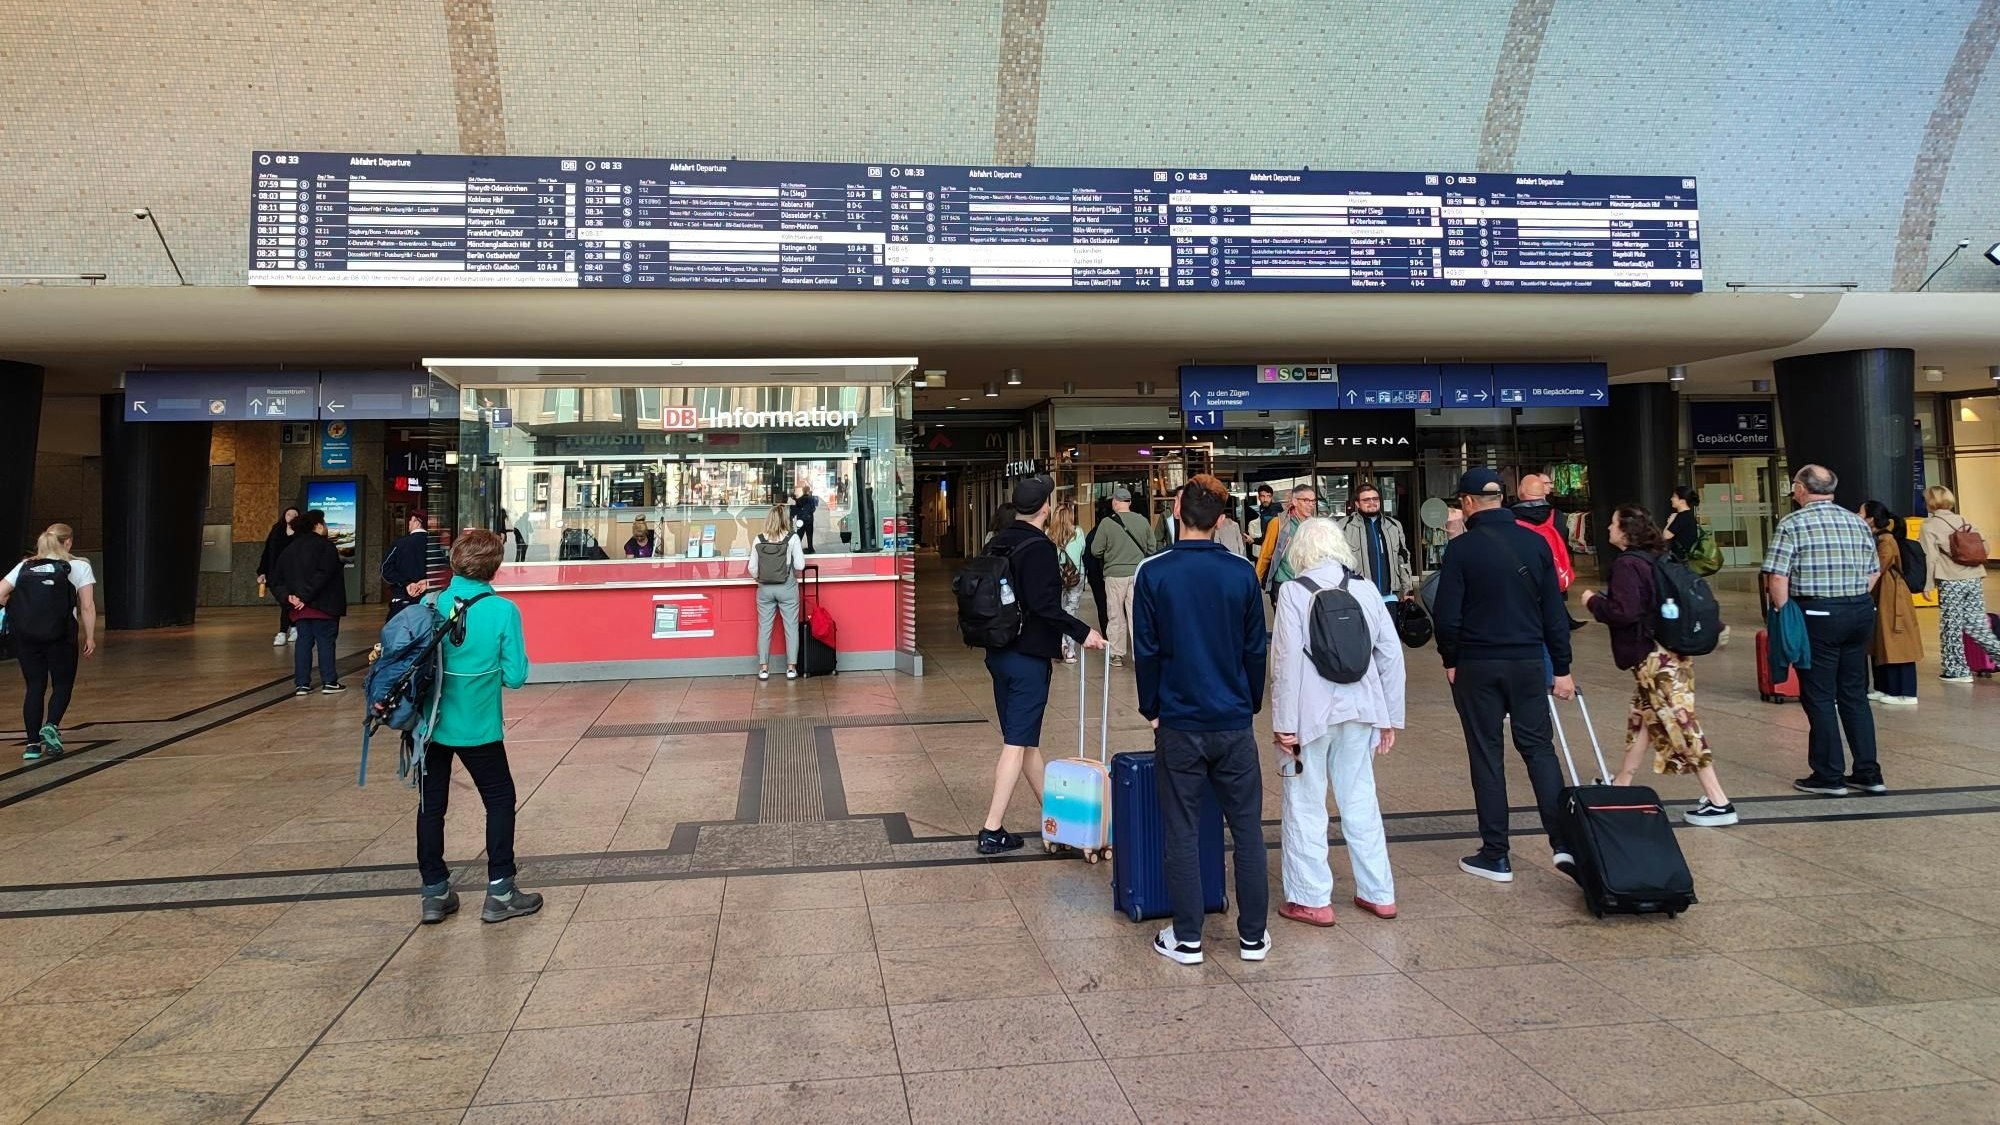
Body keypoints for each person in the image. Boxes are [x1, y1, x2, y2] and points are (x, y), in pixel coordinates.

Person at [1133, 478, 1271, 964]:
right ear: (1221, 520)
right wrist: (1249, 702)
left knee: (1182, 829)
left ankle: (1188, 936)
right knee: (1247, 830)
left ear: (1176, 510)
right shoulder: (1241, 573)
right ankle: (1253, 937)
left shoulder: (1153, 572)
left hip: (1179, 720)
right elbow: (1256, 649)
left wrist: (1152, 708)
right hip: (1233, 720)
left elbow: (1147, 651)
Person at [1431, 468, 1575, 883]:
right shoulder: (1535, 543)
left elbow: (1447, 615)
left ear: (1468, 503)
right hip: (1528, 662)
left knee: (1487, 754)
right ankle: (1564, 844)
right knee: (1539, 750)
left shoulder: (1461, 550)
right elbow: (1555, 614)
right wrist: (1561, 668)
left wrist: (1450, 658)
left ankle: (1496, 855)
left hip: (1478, 664)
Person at [1270, 517, 1404, 925]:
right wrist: (1389, 718)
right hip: (1362, 710)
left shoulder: (1294, 591)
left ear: (1300, 551)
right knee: (1360, 798)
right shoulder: (1365, 589)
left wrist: (1283, 723)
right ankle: (1379, 893)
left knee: (1305, 803)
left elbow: (1286, 663)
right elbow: (1390, 653)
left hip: (1310, 717)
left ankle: (1311, 898)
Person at [414, 529, 543, 925]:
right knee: (500, 799)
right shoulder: (503, 610)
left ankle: (434, 892)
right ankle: (501, 891)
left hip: (430, 725)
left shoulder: (430, 602)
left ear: (454, 562)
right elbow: (516, 676)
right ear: (494, 568)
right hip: (479, 726)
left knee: (431, 806)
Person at [1579, 506, 1737, 827]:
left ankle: (1720, 802)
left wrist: (1592, 601)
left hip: (1653, 657)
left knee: (1680, 723)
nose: (1608, 528)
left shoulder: (1627, 564)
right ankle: (1622, 783)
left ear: (1626, 532)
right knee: (1644, 719)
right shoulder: (1658, 558)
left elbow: (1624, 612)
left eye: (1613, 523)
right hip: (1671, 651)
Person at [976, 475, 1105, 854]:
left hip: (997, 652)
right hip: (1027, 657)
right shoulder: (1039, 547)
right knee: (1016, 743)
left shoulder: (997, 541)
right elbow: (1045, 606)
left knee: (1025, 740)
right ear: (1045, 508)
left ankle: (1057, 819)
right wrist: (1083, 632)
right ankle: (992, 829)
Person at [1762, 464, 1885, 796]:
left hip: (1817, 614)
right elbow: (1874, 571)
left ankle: (1828, 775)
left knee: (1819, 695)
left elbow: (1777, 577)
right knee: (1854, 694)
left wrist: (1784, 613)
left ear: (1802, 489)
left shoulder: (1792, 523)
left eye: (1794, 485)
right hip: (1859, 611)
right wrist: (1850, 596)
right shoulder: (1856, 522)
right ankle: (1868, 773)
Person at [1, 524, 98, 761]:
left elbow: (1, 592)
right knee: (62, 684)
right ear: (68, 542)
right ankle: (51, 724)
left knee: (35, 686)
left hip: (27, 637)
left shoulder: (26, 565)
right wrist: (90, 636)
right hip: (60, 635)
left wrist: (17, 609)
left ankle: (32, 745)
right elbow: (87, 605)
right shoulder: (79, 566)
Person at [1922, 485, 2000, 683]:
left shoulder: (1929, 526)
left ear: (1930, 502)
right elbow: (1985, 547)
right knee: (1977, 624)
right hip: (1974, 577)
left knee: (1951, 626)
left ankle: (1956, 671)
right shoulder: (1965, 520)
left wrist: (1927, 585)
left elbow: (1929, 558)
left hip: (1951, 580)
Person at [272, 509, 347, 696]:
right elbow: (324, 574)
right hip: (324, 605)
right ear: (319, 526)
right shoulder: (326, 547)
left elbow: (277, 579)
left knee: (303, 643)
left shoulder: (289, 550)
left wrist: (290, 597)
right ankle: (329, 682)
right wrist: (305, 596)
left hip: (299, 609)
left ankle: (302, 684)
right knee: (325, 642)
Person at [1860, 500, 1922, 707]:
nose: (1858, 516)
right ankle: (1885, 687)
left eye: (1861, 513)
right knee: (1882, 642)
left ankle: (1905, 692)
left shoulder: (1886, 540)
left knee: (1897, 643)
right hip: (1883, 596)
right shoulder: (1880, 538)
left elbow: (1877, 567)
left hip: (1893, 597)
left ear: (1871, 519)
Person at [1089, 485, 1156, 669]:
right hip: (1137, 575)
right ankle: (1139, 654)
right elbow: (1152, 548)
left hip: (1114, 576)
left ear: (1115, 502)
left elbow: (1095, 550)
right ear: (1129, 502)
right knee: (1137, 615)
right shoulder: (1142, 521)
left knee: (1115, 615)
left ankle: (1117, 655)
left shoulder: (1107, 523)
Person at [1515, 472, 1585, 631]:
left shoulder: (1510, 517)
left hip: (1523, 572)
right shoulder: (1556, 515)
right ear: (1541, 491)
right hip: (1551, 568)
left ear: (1521, 493)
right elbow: (1563, 537)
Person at [747, 505, 806, 681]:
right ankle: (791, 668)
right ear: (785, 520)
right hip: (787, 587)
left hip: (765, 588)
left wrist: (759, 578)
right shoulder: (792, 538)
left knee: (764, 627)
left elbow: (752, 567)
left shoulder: (759, 539)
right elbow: (800, 566)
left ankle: (764, 669)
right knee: (791, 627)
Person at [1336, 482, 1417, 608]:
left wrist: (1408, 590)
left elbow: (1403, 558)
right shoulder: (1344, 526)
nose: (1372, 502)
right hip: (1359, 597)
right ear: (1357, 503)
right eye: (1366, 500)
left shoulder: (1393, 525)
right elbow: (1337, 562)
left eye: (1375, 499)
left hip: (1390, 596)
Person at [1255, 484, 1318, 602]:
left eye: (1313, 501)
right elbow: (1265, 554)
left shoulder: (1314, 525)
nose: (1311, 504)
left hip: (1309, 583)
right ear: (1295, 501)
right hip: (1283, 583)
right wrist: (1255, 581)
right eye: (1306, 500)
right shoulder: (1278, 523)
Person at [1049, 502, 1087, 664]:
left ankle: (1060, 643)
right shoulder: (1078, 532)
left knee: (1056, 610)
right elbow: (1083, 550)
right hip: (1076, 575)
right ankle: (1070, 651)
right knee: (1071, 611)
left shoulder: (1048, 534)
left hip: (1055, 576)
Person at [257, 506, 300, 646]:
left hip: (294, 574)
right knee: (285, 600)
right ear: (284, 516)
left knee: (287, 601)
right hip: (275, 574)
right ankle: (294, 626)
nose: (292, 516)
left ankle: (282, 632)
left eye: (295, 514)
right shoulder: (276, 530)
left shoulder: (301, 533)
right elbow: (267, 552)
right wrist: (262, 572)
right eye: (289, 514)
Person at [382, 510, 433, 617]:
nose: (409, 522)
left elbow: (385, 569)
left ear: (416, 521)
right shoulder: (435, 545)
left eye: (410, 520)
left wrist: (406, 583)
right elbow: (444, 570)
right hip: (429, 600)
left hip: (402, 598)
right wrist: (428, 582)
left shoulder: (400, 544)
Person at [1663, 487, 1701, 562]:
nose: (1671, 499)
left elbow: (1666, 535)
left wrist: (1670, 522)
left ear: (1682, 501)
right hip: (1684, 557)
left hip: (1679, 559)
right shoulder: (1688, 515)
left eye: (1674, 497)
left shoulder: (1682, 517)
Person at [793, 484, 820, 553]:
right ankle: (810, 548)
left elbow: (796, 510)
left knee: (799, 535)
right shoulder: (811, 499)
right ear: (808, 491)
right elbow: (813, 509)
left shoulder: (799, 500)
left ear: (803, 491)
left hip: (801, 520)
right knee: (809, 535)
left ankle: (796, 549)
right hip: (809, 520)